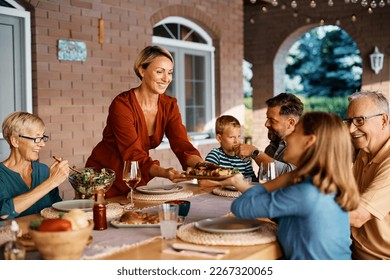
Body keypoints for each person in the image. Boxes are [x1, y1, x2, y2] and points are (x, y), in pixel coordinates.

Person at [222, 111, 360, 259]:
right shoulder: (327, 185)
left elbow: (240, 207)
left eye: (295, 132)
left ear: (309, 141)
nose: (287, 137)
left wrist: (286, 178)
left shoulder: (305, 192)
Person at [85, 46, 204, 198]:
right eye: (159, 72)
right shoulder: (122, 105)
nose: (166, 79)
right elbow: (132, 152)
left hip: (133, 177)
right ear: (142, 71)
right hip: (103, 177)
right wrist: (164, 173)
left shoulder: (169, 105)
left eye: (170, 72)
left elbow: (182, 145)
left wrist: (203, 167)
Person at [344, 91, 390, 260]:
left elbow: (356, 216)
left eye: (359, 120)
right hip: (354, 252)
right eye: (349, 121)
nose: (351, 129)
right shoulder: (363, 153)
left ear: (383, 120)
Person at [0, 112, 69, 220]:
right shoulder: (1, 175)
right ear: (15, 141)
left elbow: (57, 210)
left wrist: (82, 198)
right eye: (36, 138)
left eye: (42, 138)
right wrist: (51, 182)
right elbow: (4, 213)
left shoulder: (44, 170)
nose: (42, 144)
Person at [234, 92, 303, 176]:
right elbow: (263, 182)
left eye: (272, 120)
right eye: (267, 118)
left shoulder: (303, 148)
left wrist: (254, 152)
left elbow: (290, 175)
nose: (266, 124)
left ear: (290, 122)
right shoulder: (270, 149)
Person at [205, 115, 256, 181]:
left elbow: (252, 181)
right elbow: (206, 178)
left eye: (238, 136)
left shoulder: (244, 158)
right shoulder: (215, 156)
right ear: (219, 138)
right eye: (232, 137)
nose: (237, 141)